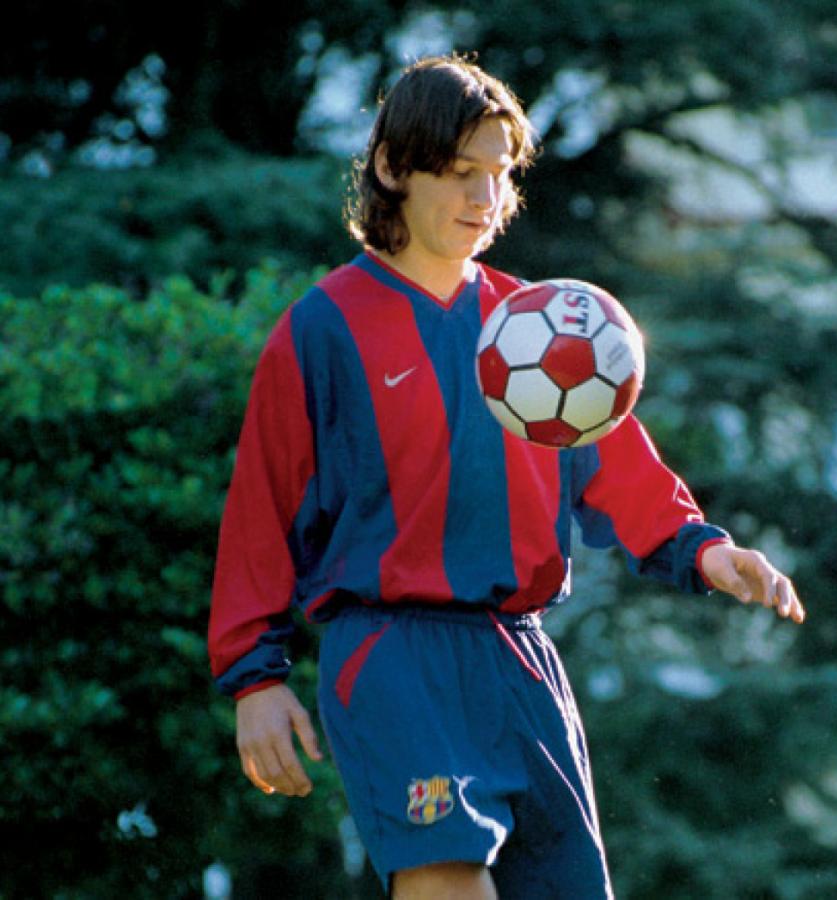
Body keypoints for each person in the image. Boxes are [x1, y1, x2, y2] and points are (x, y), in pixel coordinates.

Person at [208, 54, 806, 900]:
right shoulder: (323, 328)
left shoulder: (542, 324)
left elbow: (621, 468)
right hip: (392, 653)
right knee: (447, 883)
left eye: (499, 174)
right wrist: (255, 679)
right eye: (459, 174)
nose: (485, 200)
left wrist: (706, 552)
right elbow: (261, 511)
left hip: (521, 662)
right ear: (391, 169)